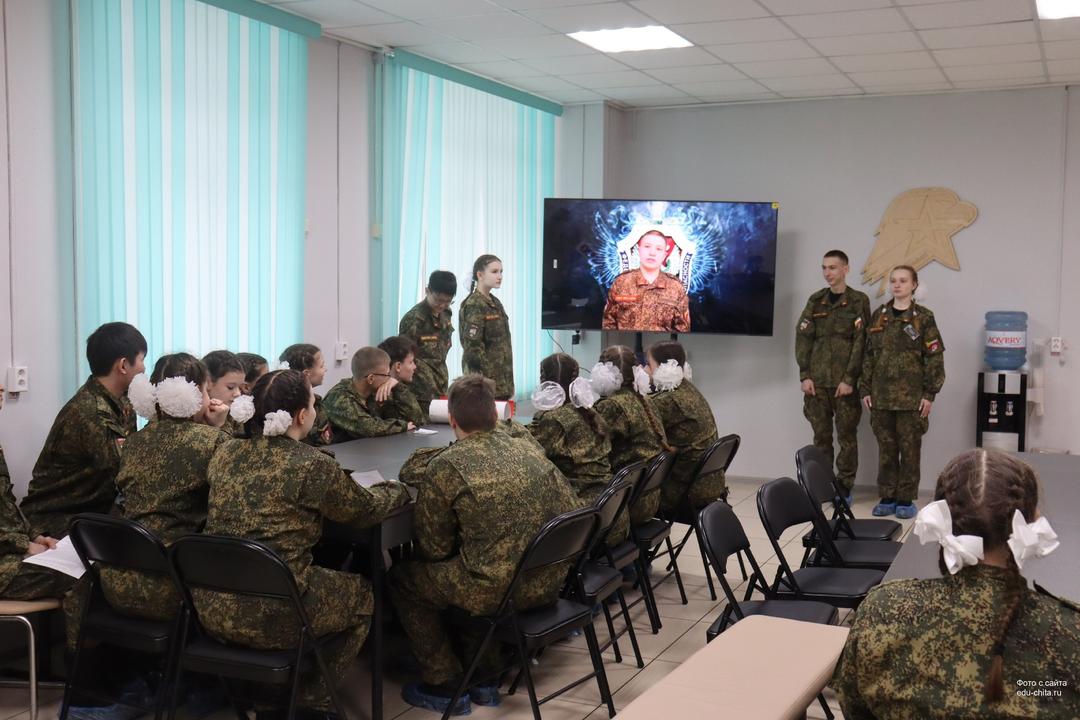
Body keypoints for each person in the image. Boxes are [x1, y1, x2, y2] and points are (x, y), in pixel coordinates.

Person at [195, 369, 411, 714]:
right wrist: (396, 489)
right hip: (277, 611)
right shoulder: (311, 464)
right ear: (300, 415)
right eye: (312, 404)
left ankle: (262, 690)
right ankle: (311, 697)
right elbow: (365, 511)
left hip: (210, 605)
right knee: (363, 596)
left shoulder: (225, 452)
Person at [833, 449, 1080, 719]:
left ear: (942, 521)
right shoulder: (1069, 635)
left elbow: (853, 706)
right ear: (1031, 521)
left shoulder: (881, 612)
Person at [390, 375, 581, 715]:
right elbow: (571, 509)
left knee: (405, 579)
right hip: (549, 582)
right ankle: (484, 673)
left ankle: (443, 679)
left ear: (452, 420)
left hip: (496, 592)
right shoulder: (528, 446)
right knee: (484, 566)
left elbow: (434, 548)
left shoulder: (447, 466)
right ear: (496, 415)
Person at [100, 353, 231, 621]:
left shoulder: (134, 441)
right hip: (172, 586)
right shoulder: (213, 442)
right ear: (193, 395)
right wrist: (220, 428)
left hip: (116, 580)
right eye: (206, 391)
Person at [21, 322, 145, 539]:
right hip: (57, 521)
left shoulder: (122, 401)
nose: (144, 369)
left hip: (94, 513)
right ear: (123, 365)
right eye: (142, 360)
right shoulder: (91, 413)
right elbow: (127, 474)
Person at [860, 265, 945, 519]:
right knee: (886, 449)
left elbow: (934, 357)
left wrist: (929, 394)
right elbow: (868, 355)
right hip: (881, 397)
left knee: (909, 450)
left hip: (911, 399)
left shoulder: (924, 318)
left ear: (914, 285)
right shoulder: (879, 316)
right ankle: (887, 497)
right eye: (893, 280)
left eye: (903, 281)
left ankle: (906, 499)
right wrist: (865, 388)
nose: (897, 285)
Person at [795, 250, 871, 503]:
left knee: (846, 437)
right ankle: (824, 485)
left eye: (833, 268)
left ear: (845, 269)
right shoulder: (816, 301)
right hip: (817, 383)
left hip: (843, 385)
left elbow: (861, 342)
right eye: (824, 268)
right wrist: (805, 375)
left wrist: (849, 379)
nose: (828, 273)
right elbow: (803, 338)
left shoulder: (858, 301)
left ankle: (844, 485)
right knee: (821, 438)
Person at [0, 382, 73, 602]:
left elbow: (7, 507)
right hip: (5, 563)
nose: (1, 387)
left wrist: (36, 537)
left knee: (82, 561)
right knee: (80, 572)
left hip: (10, 553)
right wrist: (25, 545)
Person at [593, 345, 670, 525]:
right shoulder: (645, 399)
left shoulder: (611, 406)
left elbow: (594, 450)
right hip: (649, 500)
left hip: (627, 506)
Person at [645, 341, 722, 516]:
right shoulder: (689, 389)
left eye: (649, 364)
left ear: (663, 368)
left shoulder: (666, 400)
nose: (645, 369)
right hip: (708, 484)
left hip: (684, 491)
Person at [602, 230, 690, 332]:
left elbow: (683, 329)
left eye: (658, 249)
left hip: (662, 342)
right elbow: (608, 324)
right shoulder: (621, 282)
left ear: (664, 255)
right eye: (647, 246)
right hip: (626, 341)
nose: (652, 253)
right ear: (639, 250)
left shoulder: (676, 287)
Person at [323, 347, 415, 440]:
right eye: (387, 374)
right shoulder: (339, 398)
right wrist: (402, 426)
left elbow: (414, 419)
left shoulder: (377, 391)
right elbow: (369, 428)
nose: (389, 379)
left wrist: (398, 387)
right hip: (344, 449)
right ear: (371, 378)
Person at [399, 270, 456, 416]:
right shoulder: (414, 319)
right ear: (427, 291)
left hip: (441, 380)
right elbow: (404, 355)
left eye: (448, 301)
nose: (442, 305)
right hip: (420, 387)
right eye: (438, 300)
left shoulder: (446, 314)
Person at [459, 255, 514, 400]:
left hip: (501, 383)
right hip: (483, 385)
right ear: (480, 275)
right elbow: (473, 348)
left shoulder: (495, 302)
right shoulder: (474, 304)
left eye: (501, 272)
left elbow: (502, 346)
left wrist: (506, 382)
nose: (500, 276)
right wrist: (489, 379)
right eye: (494, 272)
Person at [279, 343, 332, 445]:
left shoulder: (316, 401)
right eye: (321, 366)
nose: (325, 369)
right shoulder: (292, 406)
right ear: (306, 374)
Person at [377, 335, 427, 427]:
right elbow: (417, 421)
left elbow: (419, 421)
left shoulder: (404, 386)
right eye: (411, 362)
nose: (415, 367)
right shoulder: (382, 392)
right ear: (398, 367)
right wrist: (399, 388)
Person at [202, 350, 247, 437]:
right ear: (208, 382)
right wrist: (220, 425)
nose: (238, 393)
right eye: (231, 387)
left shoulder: (235, 415)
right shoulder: (194, 414)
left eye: (240, 387)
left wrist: (221, 425)